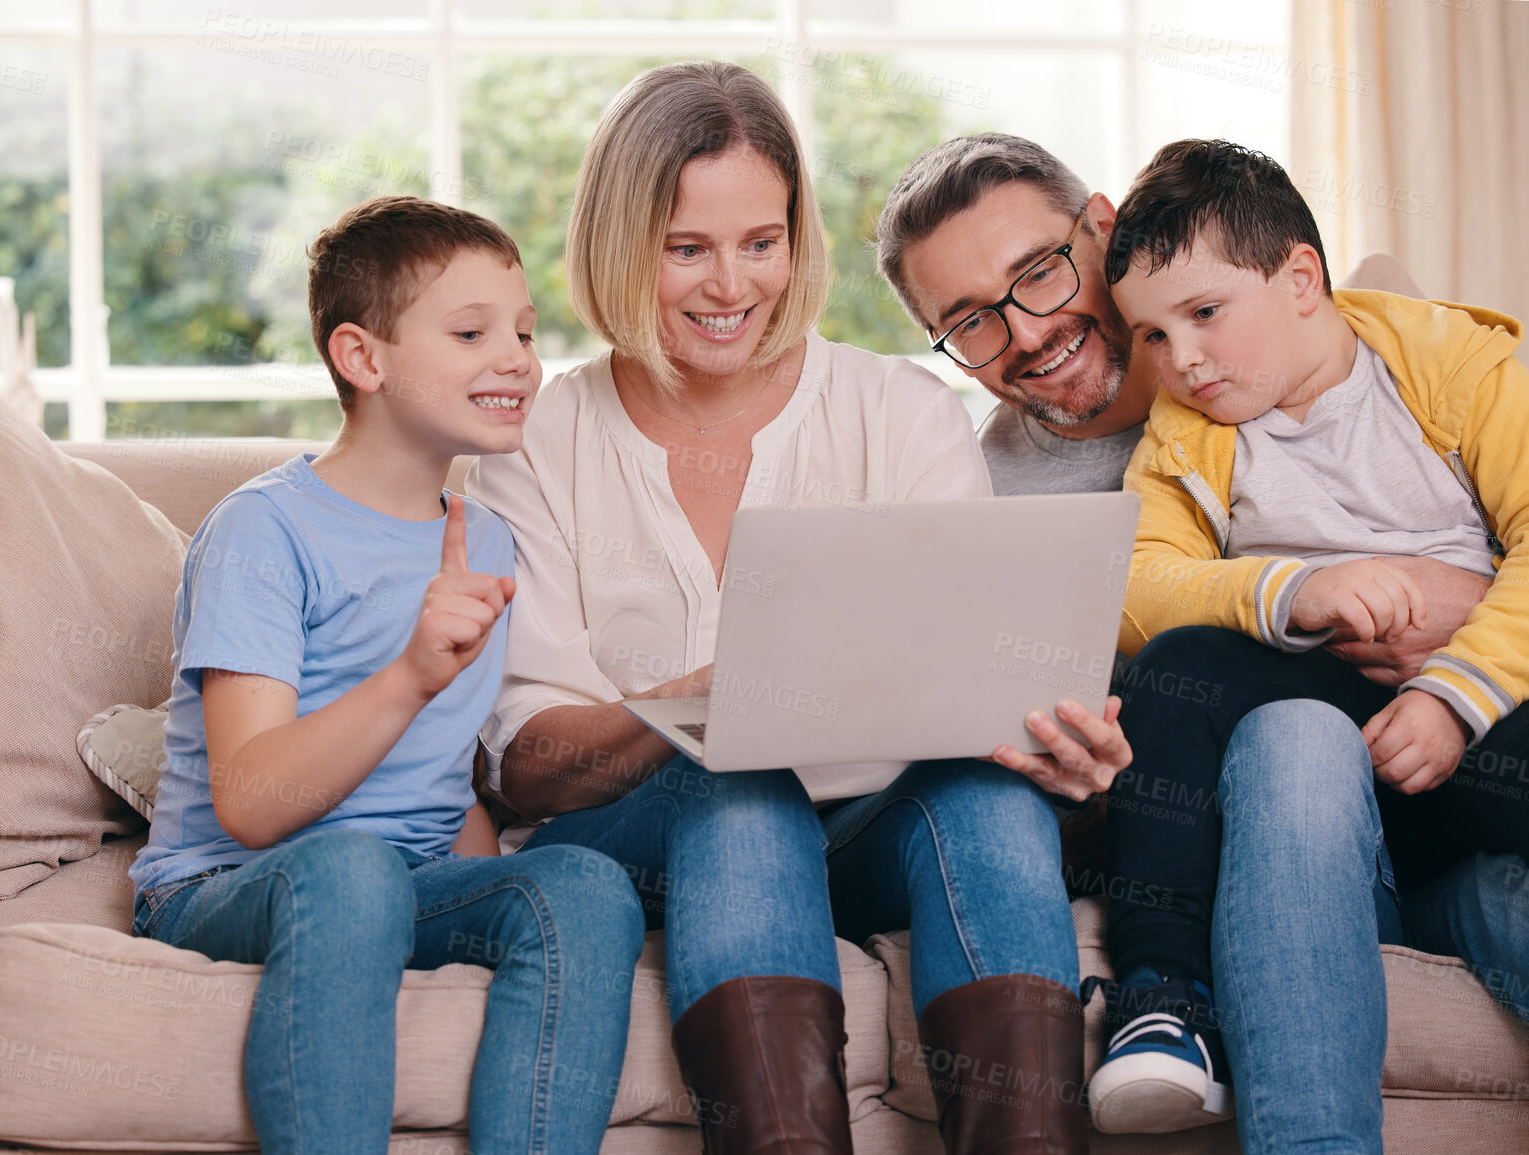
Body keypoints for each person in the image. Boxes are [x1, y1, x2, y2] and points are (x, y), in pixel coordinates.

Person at [468, 64, 1131, 1155]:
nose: (731, 286)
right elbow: (525, 766)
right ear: (621, 245)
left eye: (760, 242)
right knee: (741, 785)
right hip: (642, 836)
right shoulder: (541, 441)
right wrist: (694, 705)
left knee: (989, 802)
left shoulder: (899, 414)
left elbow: (978, 698)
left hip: (869, 828)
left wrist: (1054, 750)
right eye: (687, 248)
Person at [872, 133, 1500, 1152]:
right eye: (972, 323)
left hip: (1463, 776)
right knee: (1283, 732)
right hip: (1271, 821)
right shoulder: (982, 504)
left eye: (1038, 273)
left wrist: (1458, 611)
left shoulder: (1344, 344)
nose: (1026, 332)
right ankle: (1173, 1008)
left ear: (1106, 231)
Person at [127, 196, 644, 1155]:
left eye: (525, 332)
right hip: (228, 882)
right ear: (362, 359)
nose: (519, 358)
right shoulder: (262, 530)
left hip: (408, 879)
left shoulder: (482, 538)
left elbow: (442, 785)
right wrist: (411, 671)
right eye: (471, 331)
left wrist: (500, 889)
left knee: (580, 881)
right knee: (353, 867)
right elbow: (248, 801)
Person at [1082, 138, 1529, 1140]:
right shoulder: (1187, 437)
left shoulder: (1453, 368)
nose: (1180, 359)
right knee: (1179, 667)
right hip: (1311, 714)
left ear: (1299, 280)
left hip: (1468, 728)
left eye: (1203, 315)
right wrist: (1298, 589)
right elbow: (1136, 583)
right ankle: (1162, 993)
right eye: (1151, 335)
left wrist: (1454, 694)